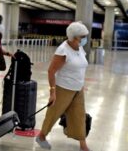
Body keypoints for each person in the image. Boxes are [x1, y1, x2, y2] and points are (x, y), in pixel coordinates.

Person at [36, 22, 91, 151]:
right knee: (53, 114)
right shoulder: (63, 50)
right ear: (75, 37)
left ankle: (83, 145)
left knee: (79, 116)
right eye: (82, 36)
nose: (85, 39)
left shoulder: (80, 48)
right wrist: (52, 92)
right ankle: (41, 136)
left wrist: (81, 85)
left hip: (78, 89)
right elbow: (51, 71)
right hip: (63, 88)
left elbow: (81, 67)